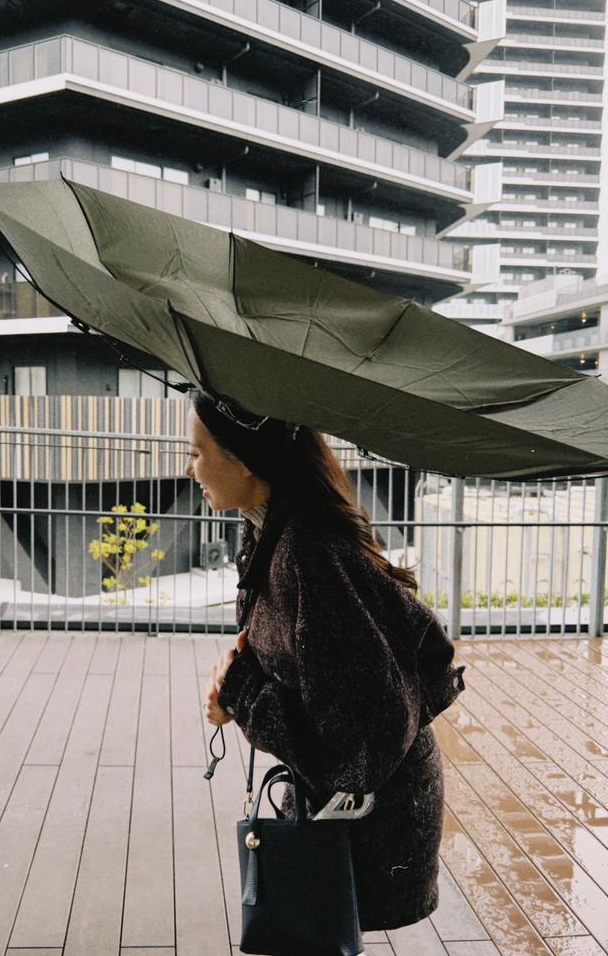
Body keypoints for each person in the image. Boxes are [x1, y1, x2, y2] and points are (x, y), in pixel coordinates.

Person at [187, 390, 466, 934]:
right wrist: (240, 685)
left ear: (244, 461)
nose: (188, 468)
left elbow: (356, 742)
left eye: (197, 453)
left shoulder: (307, 555)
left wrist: (242, 693)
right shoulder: (272, 532)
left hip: (372, 819)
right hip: (342, 807)